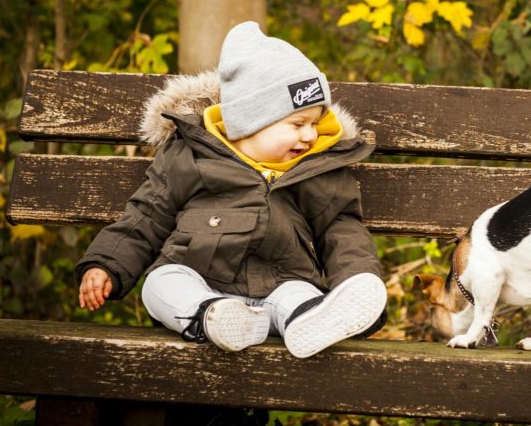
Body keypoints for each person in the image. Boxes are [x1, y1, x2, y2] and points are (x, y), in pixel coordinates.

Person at [75, 21, 387, 358]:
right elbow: (146, 216)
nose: (310, 136)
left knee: (300, 295)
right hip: (199, 280)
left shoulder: (317, 169)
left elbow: (342, 231)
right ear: (250, 122)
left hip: (280, 286)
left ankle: (312, 319)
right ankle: (211, 316)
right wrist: (106, 264)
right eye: (298, 124)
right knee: (161, 283)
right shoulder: (192, 156)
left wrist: (356, 280)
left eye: (315, 123)